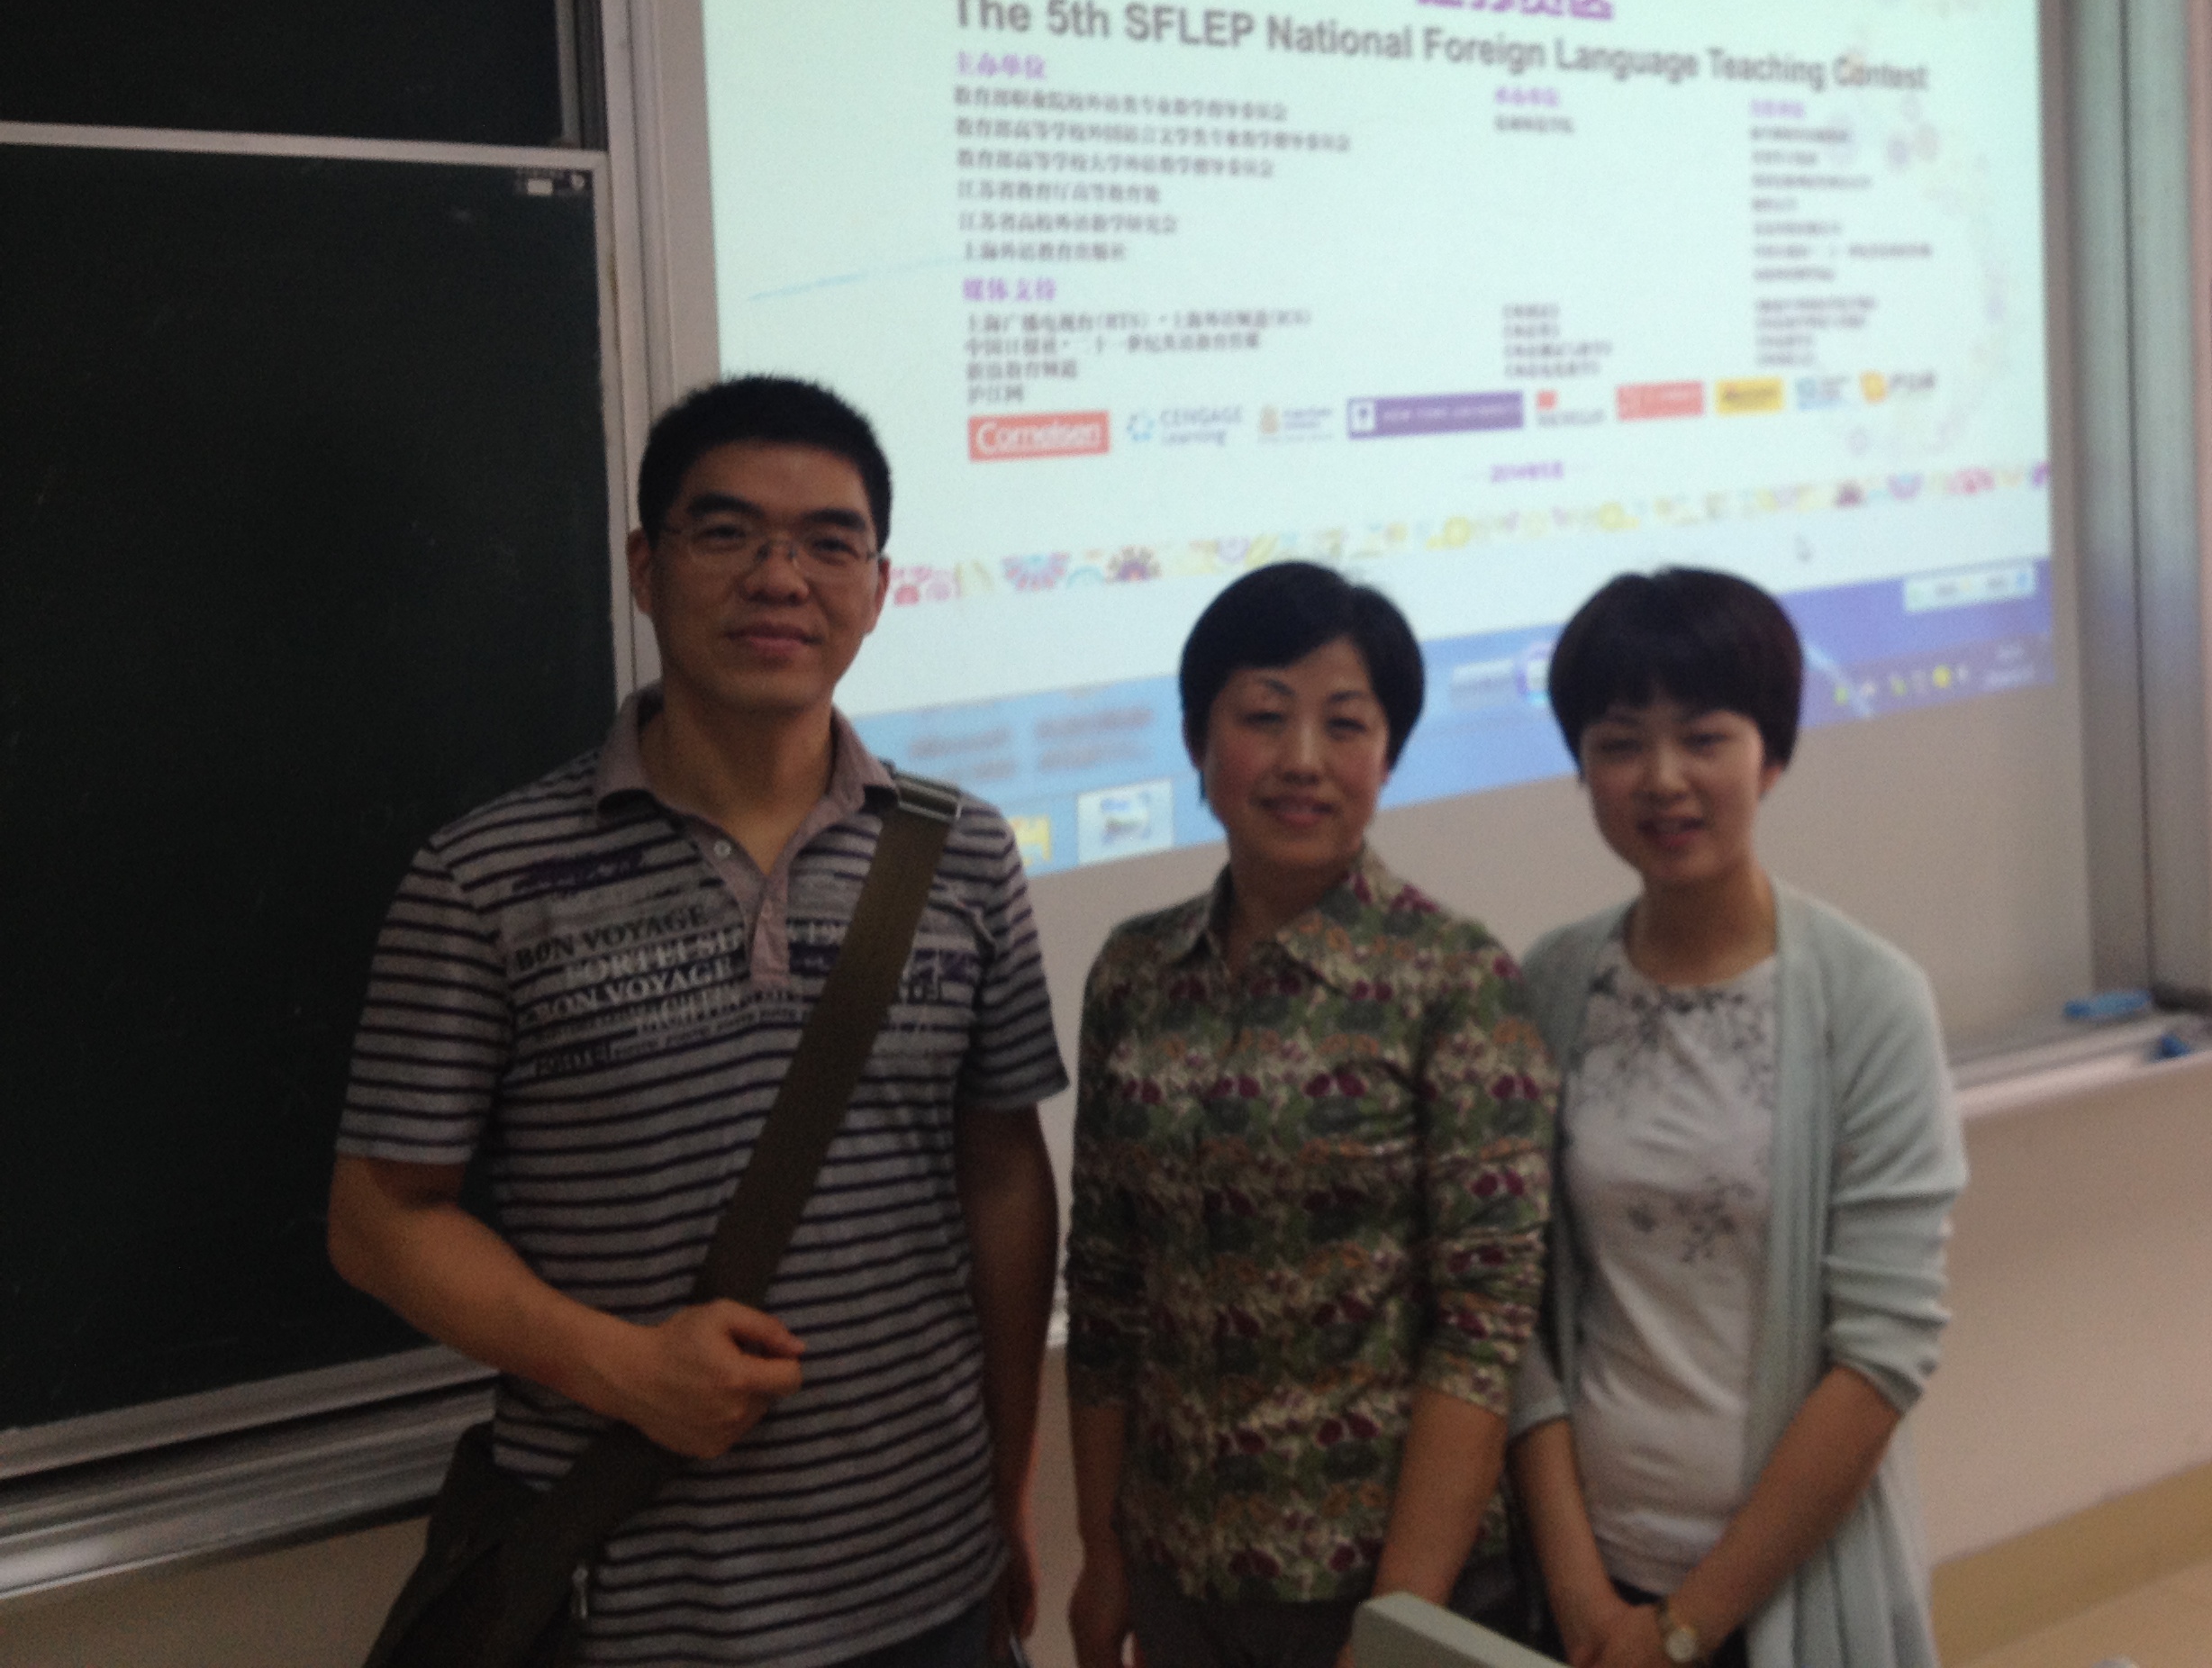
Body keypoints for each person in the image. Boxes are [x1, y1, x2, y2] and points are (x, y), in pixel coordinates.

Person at [328, 376, 1068, 1668]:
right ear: (644, 567)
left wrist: (1008, 1486)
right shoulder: (485, 878)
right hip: (630, 1604)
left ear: (879, 588)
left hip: (929, 1588)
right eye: (727, 533)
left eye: (829, 542)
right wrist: (621, 1368)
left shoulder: (962, 854)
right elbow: (378, 1219)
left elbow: (1003, 1177)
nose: (780, 578)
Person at [1064, 562, 1558, 1668]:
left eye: (1344, 724)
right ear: (1197, 741)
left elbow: (1482, 1328)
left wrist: (1397, 1627)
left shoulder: (1456, 979)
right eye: (1262, 716)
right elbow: (1104, 1289)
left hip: (1378, 1579)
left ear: (1388, 754)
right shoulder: (1134, 972)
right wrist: (1103, 1551)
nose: (1301, 760)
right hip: (1178, 1573)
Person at [1509, 567, 1967, 1668]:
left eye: (1704, 737)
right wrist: (1584, 1598)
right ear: (1582, 766)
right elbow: (1514, 1314)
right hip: (1584, 1576)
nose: (1663, 779)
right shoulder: (1553, 984)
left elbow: (1882, 1353)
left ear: (1771, 755)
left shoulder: (1869, 999)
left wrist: (1683, 1627)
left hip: (1785, 1589)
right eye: (1620, 744)